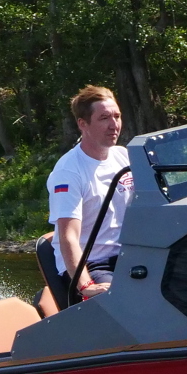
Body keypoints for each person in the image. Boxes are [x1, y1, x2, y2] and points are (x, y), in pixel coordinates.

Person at [46, 85, 132, 305]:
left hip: (129, 255)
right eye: (104, 118)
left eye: (117, 116)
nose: (114, 125)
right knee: (123, 302)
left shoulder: (124, 157)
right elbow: (68, 237)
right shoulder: (68, 172)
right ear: (83, 124)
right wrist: (86, 286)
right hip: (93, 264)